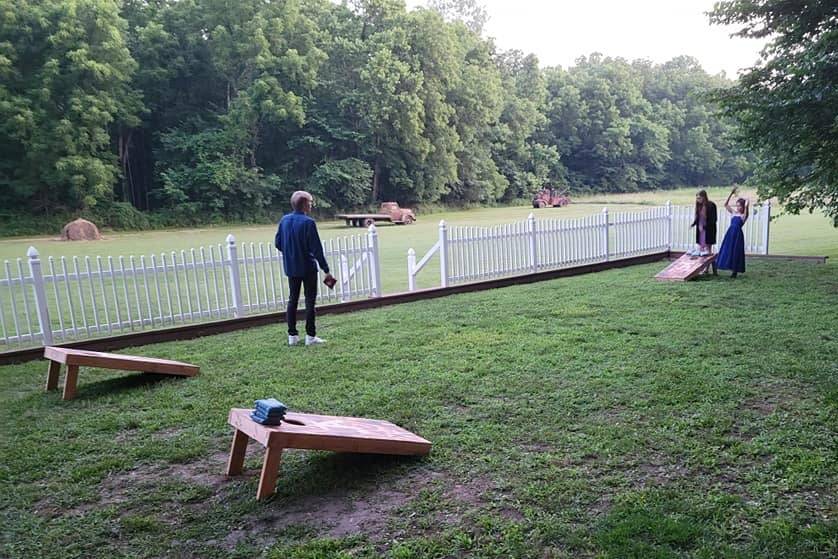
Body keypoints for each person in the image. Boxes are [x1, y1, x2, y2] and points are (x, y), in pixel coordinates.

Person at [274, 191, 335, 346]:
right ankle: (310, 336)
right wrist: (326, 269)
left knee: (292, 300)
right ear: (304, 204)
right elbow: (316, 249)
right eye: (310, 202)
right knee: (309, 301)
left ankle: (292, 336)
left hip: (291, 267)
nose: (312, 204)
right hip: (308, 267)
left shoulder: (284, 220)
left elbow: (278, 243)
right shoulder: (308, 223)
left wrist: (291, 253)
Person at [716, 187, 749, 278]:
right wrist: (731, 194)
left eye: (740, 206)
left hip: (737, 235)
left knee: (736, 251)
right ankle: (722, 265)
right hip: (730, 234)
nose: (738, 207)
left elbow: (746, 211)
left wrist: (746, 205)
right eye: (737, 206)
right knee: (727, 249)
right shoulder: (734, 213)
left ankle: (735, 271)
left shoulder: (743, 216)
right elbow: (726, 204)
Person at [688, 189, 718, 274]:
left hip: (709, 230)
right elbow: (697, 217)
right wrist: (693, 224)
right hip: (700, 230)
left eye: (699, 198)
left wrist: (705, 226)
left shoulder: (711, 205)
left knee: (708, 249)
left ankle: (706, 268)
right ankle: (701, 267)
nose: (698, 200)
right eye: (697, 198)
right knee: (701, 249)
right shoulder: (699, 206)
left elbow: (713, 219)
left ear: (704, 197)